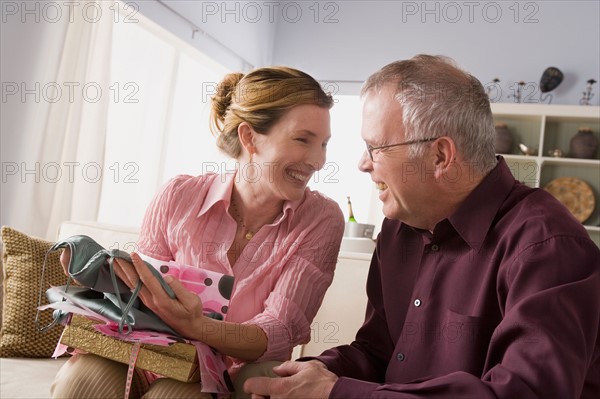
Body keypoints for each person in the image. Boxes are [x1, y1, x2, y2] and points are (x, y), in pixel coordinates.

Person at [244, 55, 600, 398]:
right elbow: (376, 352)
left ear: (440, 156)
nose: (362, 164)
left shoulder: (548, 245)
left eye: (375, 147)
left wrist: (337, 393)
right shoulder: (399, 232)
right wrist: (300, 380)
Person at [51, 66, 345, 399]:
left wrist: (197, 327)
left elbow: (279, 330)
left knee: (173, 396)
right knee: (82, 379)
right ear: (250, 138)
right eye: (303, 139)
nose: (318, 160)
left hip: (235, 378)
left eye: (323, 144)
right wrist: (105, 281)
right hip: (154, 357)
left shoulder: (321, 219)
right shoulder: (178, 196)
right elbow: (144, 296)